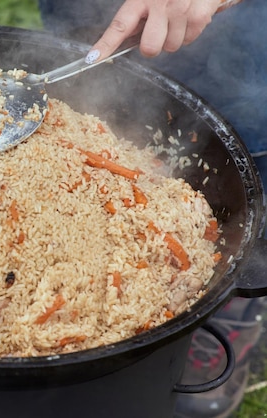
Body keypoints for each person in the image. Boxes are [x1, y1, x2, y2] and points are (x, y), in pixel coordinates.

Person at [38, 0, 267, 417]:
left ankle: (231, 316)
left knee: (249, 152)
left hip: (237, 38)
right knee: (84, 49)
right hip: (99, 14)